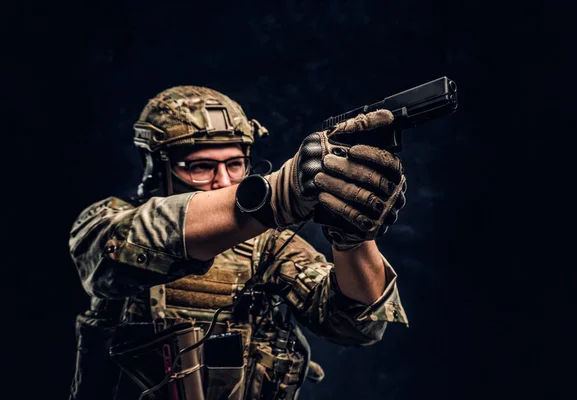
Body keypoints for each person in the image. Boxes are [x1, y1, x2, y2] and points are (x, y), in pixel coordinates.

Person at [68, 85, 409, 400]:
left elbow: (357, 325)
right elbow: (118, 251)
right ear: (157, 169)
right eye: (200, 167)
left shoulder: (265, 246)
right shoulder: (110, 222)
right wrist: (273, 197)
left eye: (235, 165)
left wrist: (351, 236)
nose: (223, 181)